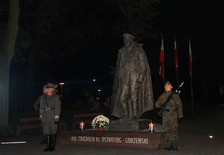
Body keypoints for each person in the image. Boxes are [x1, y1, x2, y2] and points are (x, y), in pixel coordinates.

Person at [111, 33, 154, 120]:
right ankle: (126, 115)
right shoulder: (122, 51)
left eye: (127, 40)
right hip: (124, 79)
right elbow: (119, 65)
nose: (125, 42)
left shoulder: (138, 50)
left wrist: (141, 78)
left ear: (131, 41)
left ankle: (135, 115)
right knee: (122, 98)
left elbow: (144, 66)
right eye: (124, 40)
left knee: (134, 98)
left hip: (135, 77)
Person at [155, 81, 184, 151]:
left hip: (173, 115)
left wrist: (180, 114)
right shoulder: (162, 96)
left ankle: (174, 144)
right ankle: (168, 144)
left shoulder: (175, 96)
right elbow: (156, 105)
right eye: (166, 86)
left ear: (171, 87)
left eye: (168, 86)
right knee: (167, 129)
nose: (167, 88)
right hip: (165, 115)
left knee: (173, 129)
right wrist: (161, 103)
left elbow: (180, 105)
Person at [39, 83, 61, 152]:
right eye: (47, 88)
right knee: (46, 131)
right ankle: (48, 146)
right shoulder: (43, 97)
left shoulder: (55, 97)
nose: (48, 90)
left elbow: (58, 107)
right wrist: (41, 115)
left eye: (50, 88)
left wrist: (56, 117)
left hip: (52, 115)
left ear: (52, 89)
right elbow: (41, 107)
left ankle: (52, 146)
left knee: (53, 131)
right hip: (45, 116)